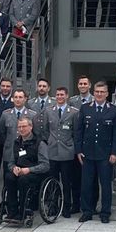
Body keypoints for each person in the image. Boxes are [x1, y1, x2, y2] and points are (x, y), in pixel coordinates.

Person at [76, 81, 116, 223]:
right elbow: (79, 131)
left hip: (105, 154)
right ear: (93, 92)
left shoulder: (114, 110)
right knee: (86, 184)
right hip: (88, 153)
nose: (99, 94)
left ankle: (105, 212)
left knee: (106, 185)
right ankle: (87, 211)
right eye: (97, 91)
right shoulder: (85, 108)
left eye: (102, 92)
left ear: (107, 94)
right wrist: (78, 151)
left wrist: (115, 152)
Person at [3, 116, 50, 223]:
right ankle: (12, 210)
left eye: (24, 126)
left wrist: (29, 169)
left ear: (30, 127)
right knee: (9, 177)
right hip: (19, 171)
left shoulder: (40, 143)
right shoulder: (16, 142)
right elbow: (10, 162)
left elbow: (45, 165)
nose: (21, 129)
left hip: (34, 173)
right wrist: (13, 168)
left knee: (23, 180)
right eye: (19, 127)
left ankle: (22, 211)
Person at [41, 87, 79, 217]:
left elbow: (76, 132)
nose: (59, 97)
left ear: (67, 96)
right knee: (52, 181)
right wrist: (50, 141)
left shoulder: (73, 112)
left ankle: (67, 207)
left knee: (67, 182)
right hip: (52, 151)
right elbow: (45, 130)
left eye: (62, 94)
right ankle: (53, 206)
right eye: (57, 95)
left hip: (67, 152)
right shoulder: (48, 111)